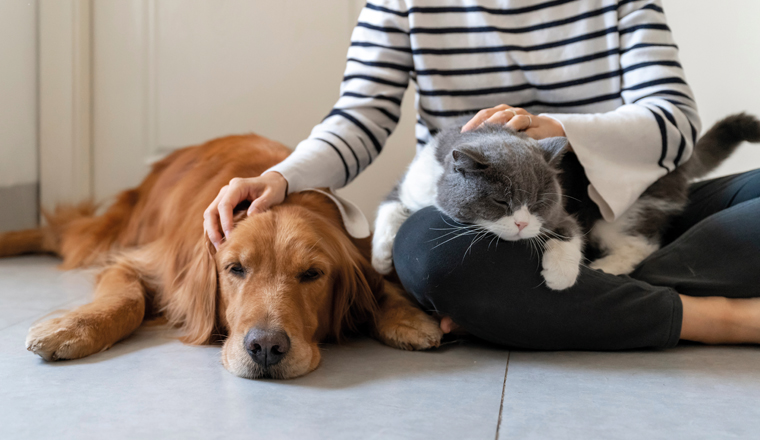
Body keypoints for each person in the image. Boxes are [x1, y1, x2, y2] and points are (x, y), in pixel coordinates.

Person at [203, 1, 760, 349]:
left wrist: (556, 129)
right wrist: (284, 177)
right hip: (473, 225)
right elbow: (360, 117)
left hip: (618, 207)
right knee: (431, 256)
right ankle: (711, 316)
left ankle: (538, 305)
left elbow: (675, 120)